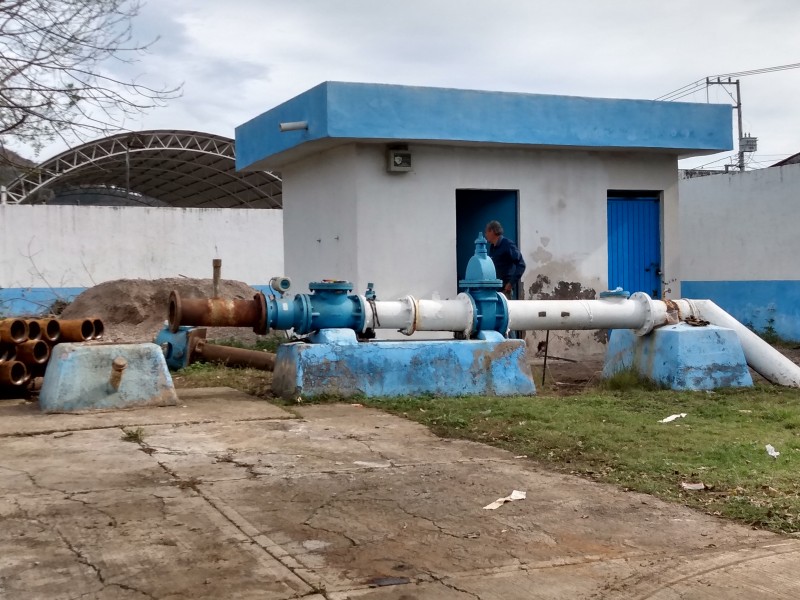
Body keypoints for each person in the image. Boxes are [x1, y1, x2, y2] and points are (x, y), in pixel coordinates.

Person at [484, 220, 526, 299]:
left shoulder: (507, 244)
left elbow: (521, 265)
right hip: (495, 289)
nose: (486, 235)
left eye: (487, 232)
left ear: (492, 231)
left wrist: (510, 284)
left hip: (505, 290)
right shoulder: (492, 247)